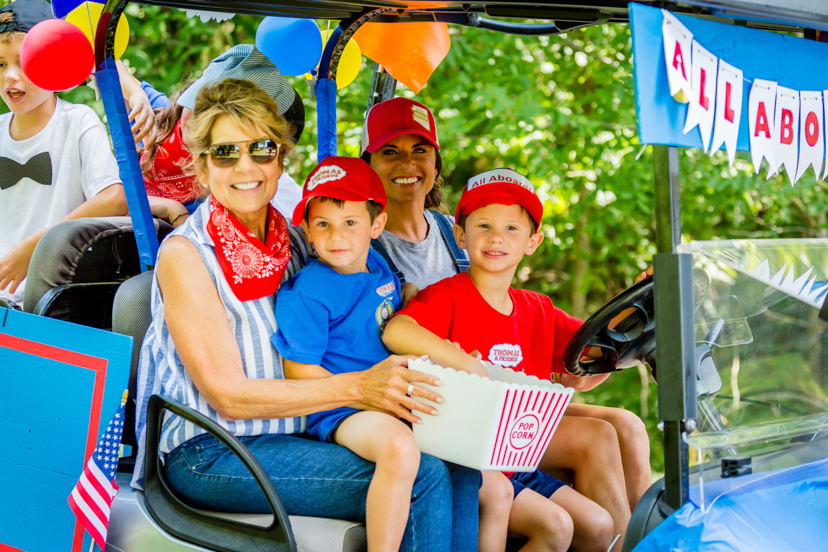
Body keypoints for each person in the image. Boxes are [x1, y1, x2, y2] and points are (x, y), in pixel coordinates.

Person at [131, 78, 481, 552]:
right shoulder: (188, 254)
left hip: (299, 432)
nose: (246, 166)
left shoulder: (302, 239)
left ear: (281, 157)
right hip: (212, 449)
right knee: (424, 475)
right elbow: (228, 396)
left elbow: (367, 307)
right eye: (225, 153)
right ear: (203, 164)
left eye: (260, 148)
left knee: (460, 464)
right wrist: (359, 389)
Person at [361, 97, 652, 535]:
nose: (407, 162)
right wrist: (463, 361)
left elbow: (580, 360)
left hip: (502, 397)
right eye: (390, 151)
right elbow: (397, 328)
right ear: (369, 162)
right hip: (450, 406)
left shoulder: (447, 230)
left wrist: (643, 310)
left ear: (436, 162)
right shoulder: (361, 241)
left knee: (627, 424)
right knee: (595, 440)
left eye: (419, 150)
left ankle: (649, 539)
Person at [383, 168, 623, 552]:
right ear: (460, 235)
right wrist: (465, 363)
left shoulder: (538, 308)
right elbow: (397, 331)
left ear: (533, 241)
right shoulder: (446, 296)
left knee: (597, 525)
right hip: (468, 463)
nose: (497, 237)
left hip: (518, 459)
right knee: (556, 526)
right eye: (483, 225)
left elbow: (596, 348)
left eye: (512, 228)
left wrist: (637, 316)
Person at [0, 0, 130, 305]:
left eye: (23, 61)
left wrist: (33, 247)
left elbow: (113, 196)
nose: (10, 76)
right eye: (1, 64)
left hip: (50, 297)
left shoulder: (77, 121)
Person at [117, 44, 304, 220]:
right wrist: (135, 92)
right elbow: (102, 56)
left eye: (208, 114)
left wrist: (174, 212)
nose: (195, 117)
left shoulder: (222, 186)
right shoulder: (157, 117)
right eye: (197, 102)